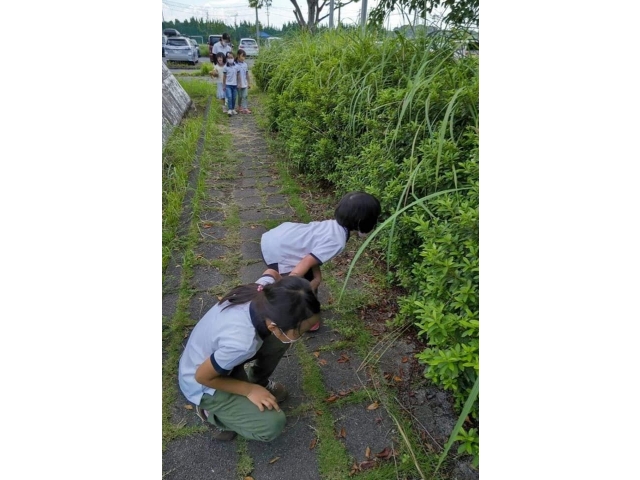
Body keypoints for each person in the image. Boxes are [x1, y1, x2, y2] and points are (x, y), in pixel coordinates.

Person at [178, 270, 321, 442]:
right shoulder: (242, 343)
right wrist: (249, 390)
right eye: (300, 332)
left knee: (279, 342)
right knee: (272, 424)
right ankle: (212, 413)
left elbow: (272, 273)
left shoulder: (265, 290)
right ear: (274, 326)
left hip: (217, 358)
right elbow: (201, 377)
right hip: (201, 383)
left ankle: (258, 381)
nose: (301, 336)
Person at [260, 191, 381, 331]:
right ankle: (299, 317)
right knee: (301, 288)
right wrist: (292, 283)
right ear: (363, 222)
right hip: (280, 251)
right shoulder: (337, 241)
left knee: (310, 279)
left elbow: (313, 254)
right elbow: (306, 262)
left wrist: (317, 276)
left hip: (277, 237)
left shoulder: (333, 226)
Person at [223, 51, 240, 117]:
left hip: (235, 85)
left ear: (234, 58)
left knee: (234, 97)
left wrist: (239, 83)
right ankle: (229, 109)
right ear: (227, 58)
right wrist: (224, 85)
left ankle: (233, 109)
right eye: (229, 57)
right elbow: (224, 77)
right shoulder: (225, 67)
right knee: (229, 96)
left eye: (231, 57)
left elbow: (238, 75)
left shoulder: (237, 66)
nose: (230, 59)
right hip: (228, 85)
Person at [236, 49, 252, 114]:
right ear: (238, 56)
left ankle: (245, 108)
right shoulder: (235, 64)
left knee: (245, 95)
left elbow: (247, 74)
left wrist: (249, 83)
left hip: (244, 83)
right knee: (239, 96)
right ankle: (239, 106)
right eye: (242, 56)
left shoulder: (245, 64)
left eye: (244, 57)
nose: (243, 58)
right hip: (238, 84)